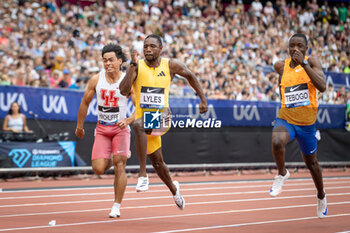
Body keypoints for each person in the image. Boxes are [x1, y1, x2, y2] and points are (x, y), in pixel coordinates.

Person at [119, 34, 208, 209]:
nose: (148, 49)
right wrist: (132, 66)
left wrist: (203, 100)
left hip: (163, 117)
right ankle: (175, 191)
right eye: (145, 46)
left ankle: (142, 175)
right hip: (145, 127)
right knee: (158, 163)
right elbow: (123, 90)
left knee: (138, 124)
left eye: (152, 46)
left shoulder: (170, 65)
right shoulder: (137, 66)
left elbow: (191, 76)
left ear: (161, 49)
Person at [270, 33, 327, 218]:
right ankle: (282, 173)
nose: (295, 48)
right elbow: (282, 87)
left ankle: (321, 195)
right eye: (292, 45)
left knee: (312, 164)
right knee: (277, 140)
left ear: (306, 48)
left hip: (307, 125)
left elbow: (322, 86)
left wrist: (304, 64)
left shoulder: (313, 62)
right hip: (286, 119)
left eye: (300, 45)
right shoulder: (281, 66)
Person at [75, 44, 135, 218]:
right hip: (101, 128)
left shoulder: (127, 80)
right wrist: (79, 126)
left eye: (111, 60)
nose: (107, 63)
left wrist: (128, 120)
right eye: (105, 60)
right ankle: (118, 155)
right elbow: (85, 103)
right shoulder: (96, 79)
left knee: (119, 165)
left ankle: (116, 205)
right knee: (98, 169)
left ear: (120, 61)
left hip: (120, 129)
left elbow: (139, 107)